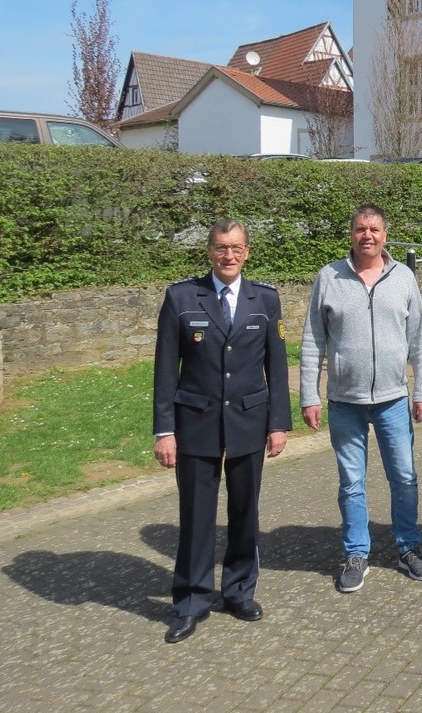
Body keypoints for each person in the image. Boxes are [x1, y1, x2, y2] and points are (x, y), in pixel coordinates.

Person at [152, 219, 291, 644]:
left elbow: (278, 367)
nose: (228, 255)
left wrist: (278, 423)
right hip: (195, 423)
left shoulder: (264, 299)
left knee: (245, 513)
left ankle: (239, 591)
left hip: (250, 420)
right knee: (196, 516)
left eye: (235, 248)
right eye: (220, 247)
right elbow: (164, 370)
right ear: (209, 252)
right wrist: (164, 430)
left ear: (247, 252)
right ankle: (192, 600)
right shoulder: (180, 297)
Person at [300, 204, 422, 592]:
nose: (368, 235)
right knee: (352, 482)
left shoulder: (404, 278)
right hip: (345, 401)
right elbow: (313, 341)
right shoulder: (329, 277)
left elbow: (419, 341)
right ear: (352, 234)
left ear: (385, 234)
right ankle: (357, 553)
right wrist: (310, 394)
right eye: (361, 229)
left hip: (393, 399)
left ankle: (408, 547)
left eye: (374, 229)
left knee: (404, 478)